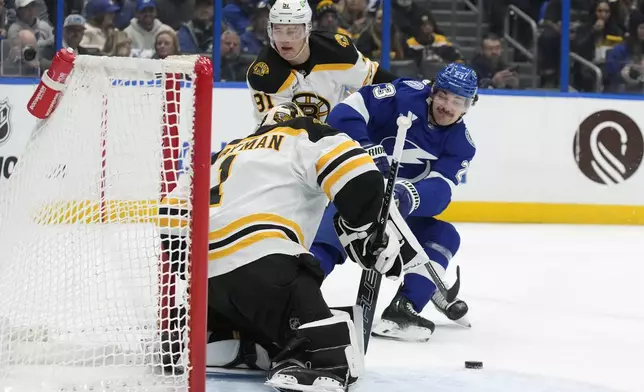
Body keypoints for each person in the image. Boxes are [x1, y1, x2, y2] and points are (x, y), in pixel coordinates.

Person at [161, 102, 417, 391]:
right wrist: (367, 229)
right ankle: (316, 359)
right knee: (331, 348)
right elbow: (358, 175)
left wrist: (195, 269)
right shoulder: (306, 132)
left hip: (203, 283)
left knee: (250, 305)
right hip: (265, 265)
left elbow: (169, 216)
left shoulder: (220, 154)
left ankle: (224, 337)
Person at [310, 63, 478, 342]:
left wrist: (407, 195)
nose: (447, 106)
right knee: (327, 240)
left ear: (468, 105)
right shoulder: (402, 95)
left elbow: (440, 191)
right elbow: (344, 114)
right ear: (432, 91)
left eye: (458, 101)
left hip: (401, 212)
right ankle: (297, 293)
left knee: (444, 236)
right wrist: (368, 151)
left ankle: (404, 308)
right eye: (444, 96)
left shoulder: (462, 143)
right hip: (358, 196)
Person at [246, 0, 397, 124]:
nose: (285, 39)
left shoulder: (337, 51)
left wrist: (411, 90)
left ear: (307, 30)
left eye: (292, 31)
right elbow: (279, 131)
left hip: (338, 142)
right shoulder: (263, 73)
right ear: (270, 31)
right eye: (278, 30)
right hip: (289, 148)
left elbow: (374, 79)